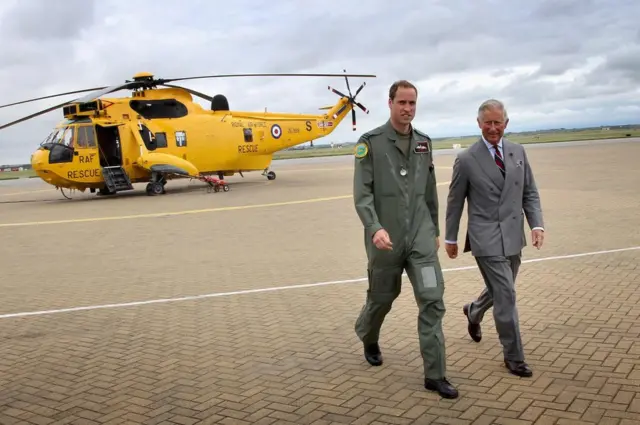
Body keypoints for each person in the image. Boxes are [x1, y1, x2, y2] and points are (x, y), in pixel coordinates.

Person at [352, 80, 458, 399]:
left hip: (421, 239)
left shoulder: (424, 143)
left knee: (432, 299)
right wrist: (375, 227)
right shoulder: (370, 143)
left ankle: (435, 374)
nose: (408, 109)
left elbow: (429, 193)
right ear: (390, 103)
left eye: (412, 103)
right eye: (402, 102)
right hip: (385, 239)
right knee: (382, 297)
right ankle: (367, 334)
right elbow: (363, 194)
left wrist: (435, 231)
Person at [444, 99, 545, 378]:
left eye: (497, 122)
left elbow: (530, 192)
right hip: (485, 237)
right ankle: (514, 357)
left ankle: (473, 311)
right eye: (487, 122)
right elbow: (455, 202)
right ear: (479, 124)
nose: (492, 128)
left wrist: (537, 225)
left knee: (502, 289)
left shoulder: (518, 152)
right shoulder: (466, 159)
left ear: (506, 123)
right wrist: (450, 238)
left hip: (513, 235)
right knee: (507, 294)